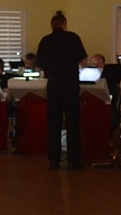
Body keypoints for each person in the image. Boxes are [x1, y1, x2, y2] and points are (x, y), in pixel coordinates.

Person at [36, 10, 87, 170]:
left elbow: (39, 64)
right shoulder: (73, 37)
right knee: (73, 123)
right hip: (70, 85)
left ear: (52, 25)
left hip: (53, 85)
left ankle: (54, 160)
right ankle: (73, 161)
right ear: (64, 24)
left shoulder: (45, 40)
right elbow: (83, 59)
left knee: (54, 123)